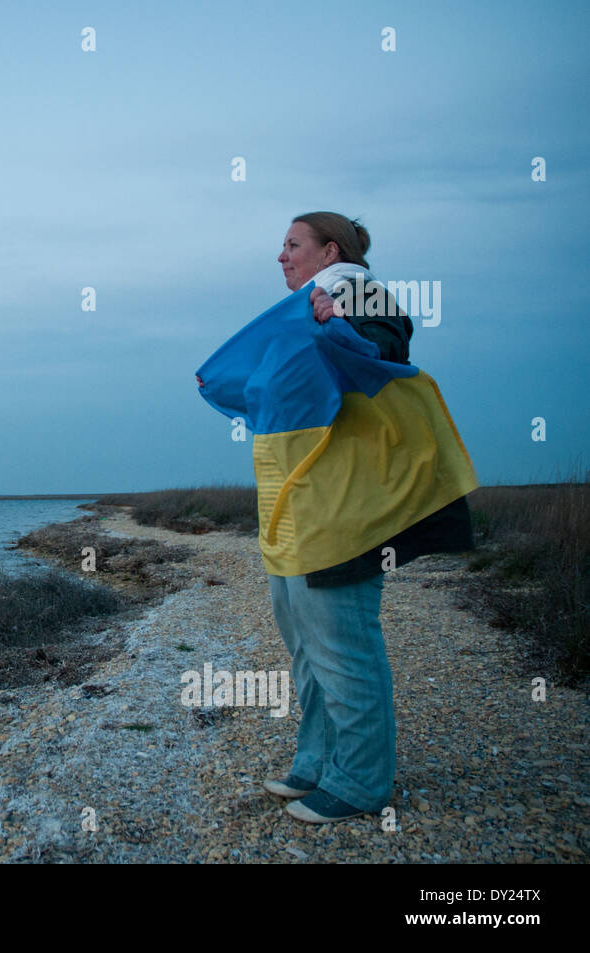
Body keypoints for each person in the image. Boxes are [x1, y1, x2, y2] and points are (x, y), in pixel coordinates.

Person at [199, 211, 474, 823]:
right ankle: (317, 759)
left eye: (292, 245)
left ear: (330, 252)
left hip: (343, 512)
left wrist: (341, 325)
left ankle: (360, 782)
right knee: (306, 646)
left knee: (343, 644)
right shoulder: (304, 310)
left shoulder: (354, 290)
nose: (281, 256)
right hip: (298, 508)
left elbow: (390, 341)